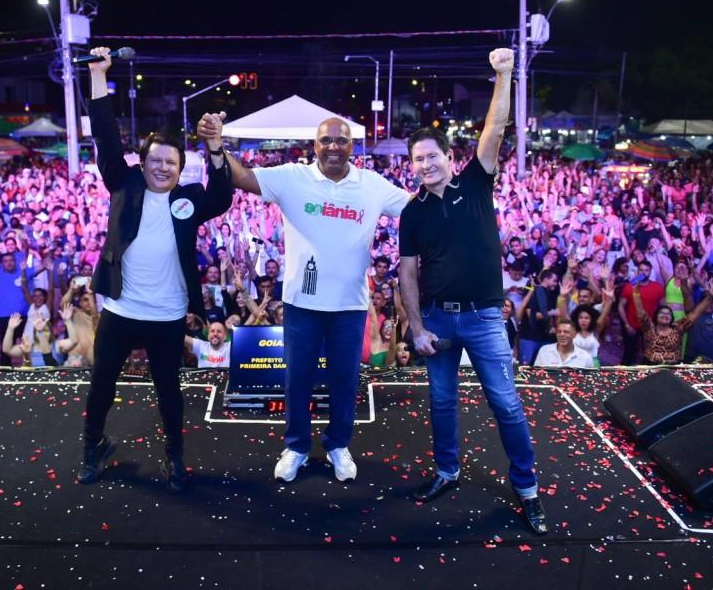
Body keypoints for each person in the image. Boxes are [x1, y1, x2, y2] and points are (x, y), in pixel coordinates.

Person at [197, 102, 410, 485]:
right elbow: (241, 176)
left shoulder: (372, 186)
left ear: (352, 147)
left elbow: (415, 209)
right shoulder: (292, 178)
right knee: (297, 380)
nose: (333, 146)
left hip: (349, 307)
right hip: (302, 306)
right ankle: (295, 446)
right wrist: (216, 146)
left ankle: (338, 444)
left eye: (340, 141)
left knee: (345, 380)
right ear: (314, 145)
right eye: (325, 140)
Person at [398, 48, 548, 535]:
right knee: (441, 402)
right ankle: (447, 471)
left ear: (448, 156)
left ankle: (527, 488)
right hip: (438, 320)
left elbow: (496, 128)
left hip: (484, 318)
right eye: (418, 159)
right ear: (411, 165)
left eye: (432, 156)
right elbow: (406, 273)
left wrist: (503, 76)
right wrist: (416, 327)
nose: (426, 164)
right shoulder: (412, 213)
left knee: (505, 403)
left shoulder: (476, 181)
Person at [78, 48, 234, 494]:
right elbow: (106, 138)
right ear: (142, 162)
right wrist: (98, 77)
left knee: (169, 394)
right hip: (122, 309)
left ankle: (175, 458)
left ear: (180, 168)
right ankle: (93, 447)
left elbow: (221, 198)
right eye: (155, 160)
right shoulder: (122, 182)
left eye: (171, 162)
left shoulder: (187, 200)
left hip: (167, 314)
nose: (162, 167)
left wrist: (216, 146)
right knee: (101, 387)